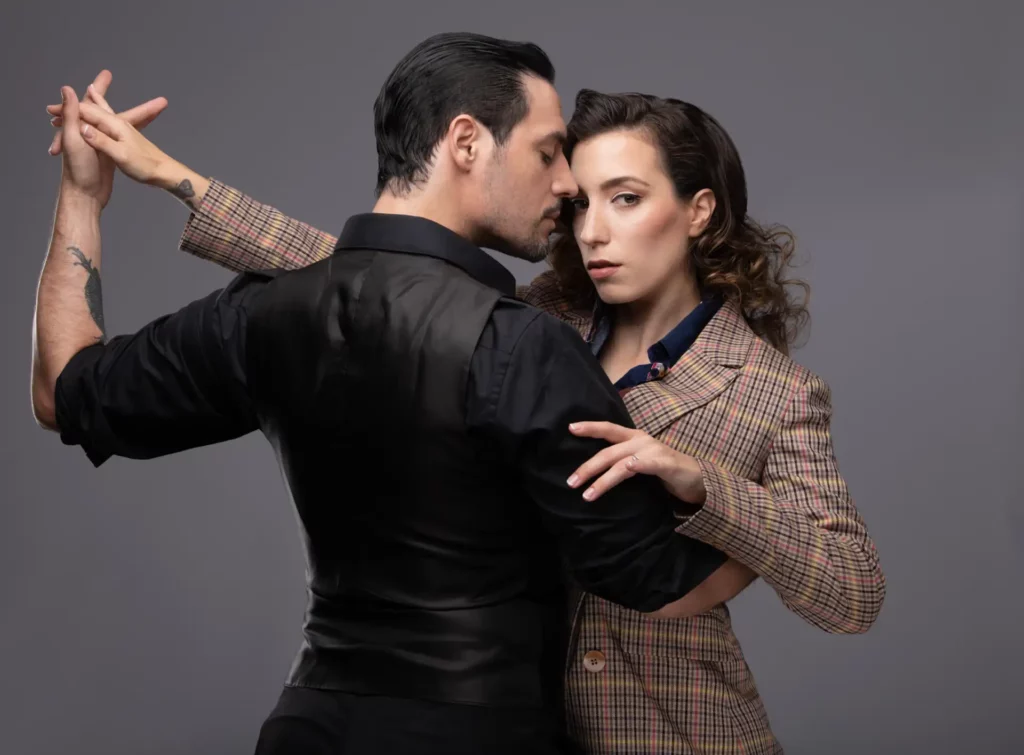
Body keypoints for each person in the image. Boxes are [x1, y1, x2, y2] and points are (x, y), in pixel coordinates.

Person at [56, 81, 888, 753]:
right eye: (580, 204)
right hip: (510, 721)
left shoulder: (775, 391)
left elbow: (853, 590)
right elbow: (372, 280)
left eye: (627, 199)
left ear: (699, 211)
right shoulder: (534, 324)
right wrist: (175, 178)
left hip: (675, 733)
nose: (593, 231)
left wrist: (707, 487)